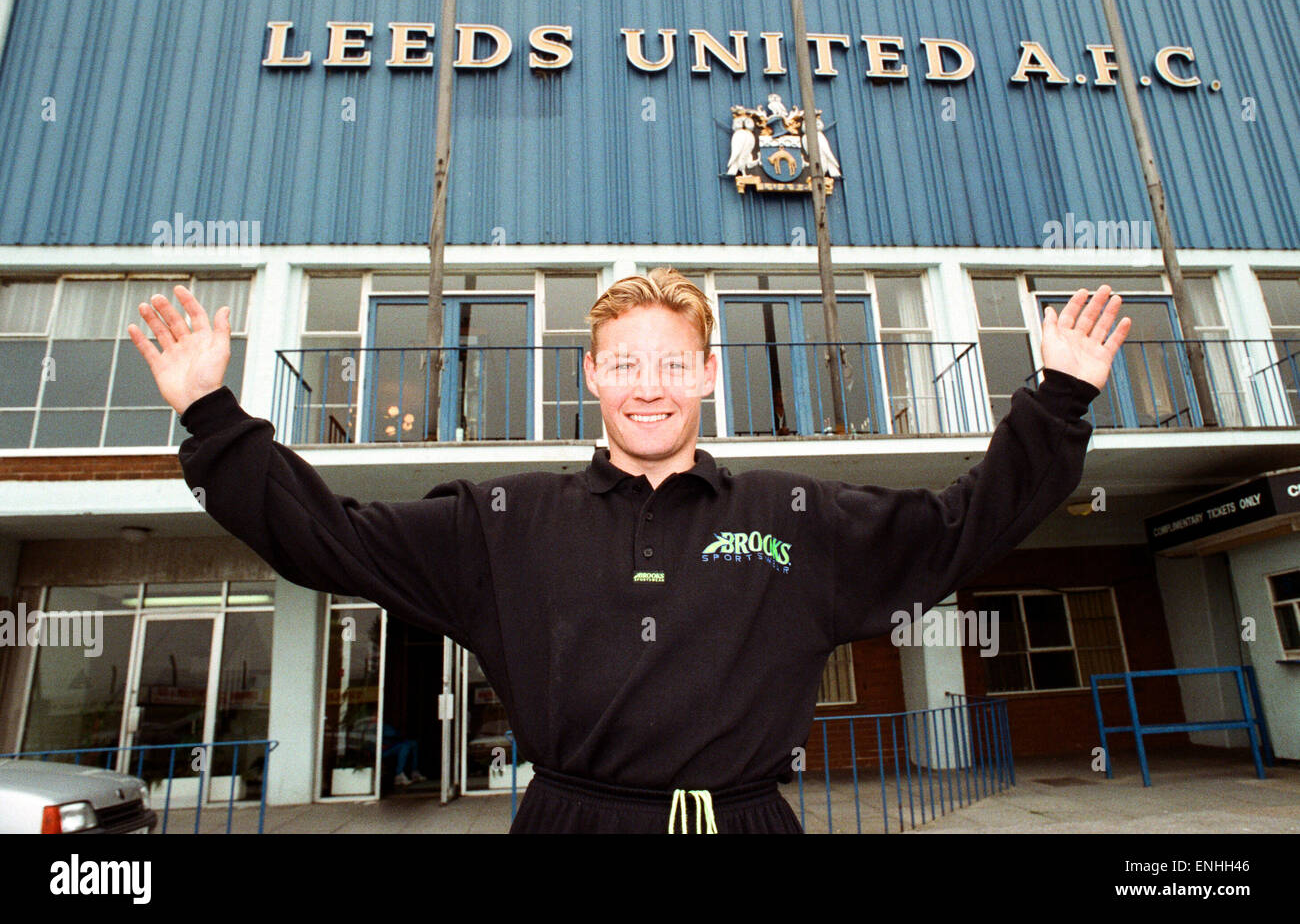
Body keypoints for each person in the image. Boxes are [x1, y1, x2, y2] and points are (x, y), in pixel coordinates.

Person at [127, 270, 1130, 834]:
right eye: (624, 365)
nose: (647, 388)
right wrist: (214, 417)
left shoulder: (795, 518)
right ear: (591, 377)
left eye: (669, 365)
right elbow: (327, 538)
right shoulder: (500, 523)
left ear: (703, 376)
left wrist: (1059, 401)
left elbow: (957, 529)